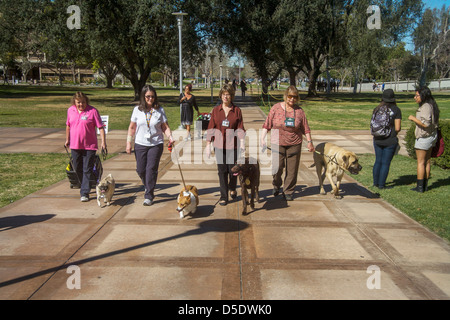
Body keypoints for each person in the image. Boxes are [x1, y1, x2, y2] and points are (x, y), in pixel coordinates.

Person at [260, 85, 314, 201]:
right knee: (277, 167)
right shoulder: (276, 108)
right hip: (277, 142)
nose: (292, 99)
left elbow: (306, 129)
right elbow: (267, 124)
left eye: (295, 97)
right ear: (285, 96)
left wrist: (309, 142)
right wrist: (262, 139)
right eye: (290, 96)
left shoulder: (299, 111)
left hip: (294, 143)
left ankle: (288, 191)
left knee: (292, 169)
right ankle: (276, 184)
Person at [126, 85, 174, 205]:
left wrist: (170, 137)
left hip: (155, 144)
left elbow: (165, 126)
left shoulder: (159, 110)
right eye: (148, 96)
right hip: (140, 143)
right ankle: (148, 184)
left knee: (151, 169)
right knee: (141, 169)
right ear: (143, 96)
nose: (150, 99)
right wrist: (128, 142)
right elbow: (132, 127)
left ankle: (149, 195)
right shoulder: (137, 110)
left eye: (152, 96)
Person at [205, 84, 245, 206]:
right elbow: (211, 128)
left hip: (233, 146)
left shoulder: (237, 110)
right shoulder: (216, 111)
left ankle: (232, 188)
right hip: (219, 146)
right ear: (221, 96)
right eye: (223, 94)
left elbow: (240, 128)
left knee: (232, 170)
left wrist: (242, 143)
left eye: (228, 94)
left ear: (231, 96)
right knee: (222, 171)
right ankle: (224, 196)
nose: (225, 97)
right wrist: (208, 145)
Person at [65, 92, 106, 202]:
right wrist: (67, 139)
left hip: (90, 146)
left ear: (86, 101)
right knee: (77, 167)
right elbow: (68, 126)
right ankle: (84, 184)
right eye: (78, 102)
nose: (81, 104)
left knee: (87, 168)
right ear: (74, 102)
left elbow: (100, 127)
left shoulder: (92, 111)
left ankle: (84, 192)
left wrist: (103, 142)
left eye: (83, 102)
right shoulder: (70, 111)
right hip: (75, 145)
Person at [408, 86, 440, 193]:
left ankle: (420, 187)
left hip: (424, 137)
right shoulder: (431, 105)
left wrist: (413, 119)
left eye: (417, 95)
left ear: (423, 96)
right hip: (431, 136)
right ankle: (425, 185)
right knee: (427, 161)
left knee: (421, 162)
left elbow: (425, 124)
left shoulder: (426, 107)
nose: (415, 97)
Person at [371, 89, 402, 189]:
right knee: (385, 163)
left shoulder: (377, 109)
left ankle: (375, 183)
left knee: (378, 161)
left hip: (377, 139)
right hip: (390, 140)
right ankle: (381, 185)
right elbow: (397, 128)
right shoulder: (396, 110)